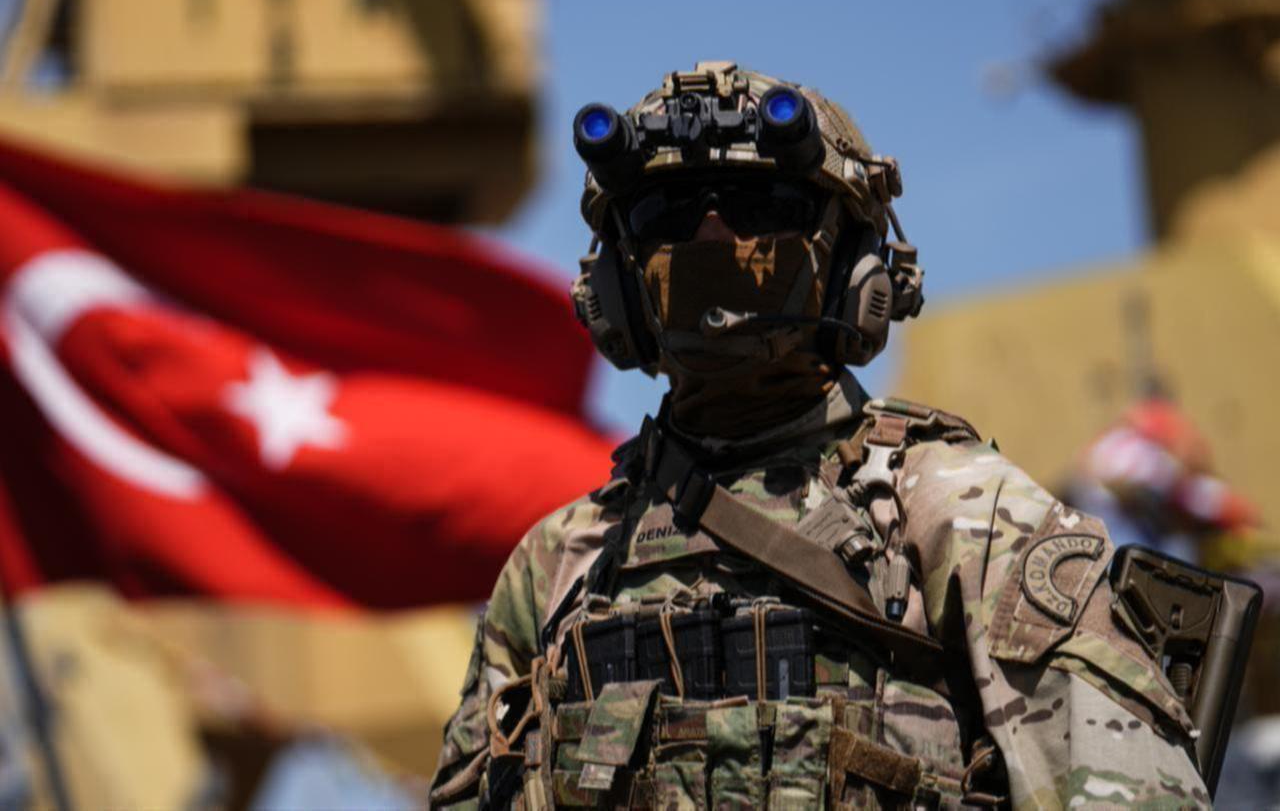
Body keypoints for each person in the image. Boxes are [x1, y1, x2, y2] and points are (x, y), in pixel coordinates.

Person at [429, 62, 1208, 809]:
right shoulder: (562, 566)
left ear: (860, 268)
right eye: (667, 216)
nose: (713, 240)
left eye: (761, 210)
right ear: (614, 287)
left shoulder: (959, 518)